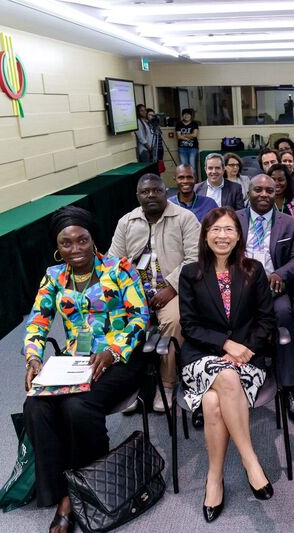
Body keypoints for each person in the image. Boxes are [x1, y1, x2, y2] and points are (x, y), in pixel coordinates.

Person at [23, 206, 149, 533]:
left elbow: (140, 317)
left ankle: (79, 492)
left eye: (82, 240)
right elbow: (38, 321)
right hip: (74, 360)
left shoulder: (120, 269)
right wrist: (33, 358)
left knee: (78, 407)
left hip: (120, 357)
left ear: (93, 239)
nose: (75, 249)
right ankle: (60, 487)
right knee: (35, 405)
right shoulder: (54, 276)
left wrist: (113, 351)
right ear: (57, 247)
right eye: (66, 243)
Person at [179, 207, 277, 523]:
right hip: (202, 357)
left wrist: (243, 350)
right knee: (223, 376)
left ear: (238, 236)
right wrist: (225, 344)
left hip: (247, 357)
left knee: (212, 402)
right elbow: (189, 326)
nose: (222, 236)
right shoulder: (190, 273)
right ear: (205, 236)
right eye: (216, 230)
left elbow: (266, 320)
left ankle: (214, 478)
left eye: (229, 230)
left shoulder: (253, 270)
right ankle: (250, 462)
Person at [109, 173, 201, 412]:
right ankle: (130, 384)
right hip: (134, 291)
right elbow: (113, 262)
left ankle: (167, 384)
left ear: (166, 192)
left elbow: (195, 259)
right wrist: (129, 292)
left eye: (156, 190)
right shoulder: (126, 222)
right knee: (117, 321)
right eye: (145, 192)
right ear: (137, 195)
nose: (151, 195)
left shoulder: (184, 218)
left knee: (174, 321)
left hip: (172, 289)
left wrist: (171, 288)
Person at [236, 175, 294, 422]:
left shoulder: (289, 223)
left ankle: (289, 387)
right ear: (248, 192)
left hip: (273, 287)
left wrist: (280, 274)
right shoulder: (234, 219)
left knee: (285, 315)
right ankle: (234, 379)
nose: (264, 194)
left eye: (269, 190)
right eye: (258, 190)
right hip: (239, 288)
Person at [267, 163, 294, 234]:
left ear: (287, 181)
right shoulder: (263, 199)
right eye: (273, 179)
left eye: (280, 180)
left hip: (292, 237)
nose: (276, 183)